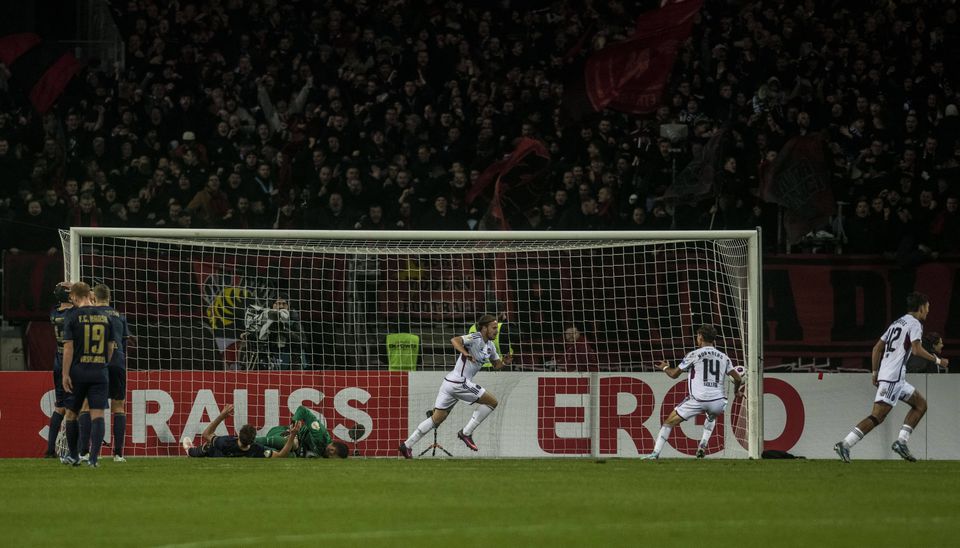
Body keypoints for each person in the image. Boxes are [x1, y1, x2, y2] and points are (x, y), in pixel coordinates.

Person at [834, 292, 948, 463]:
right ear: (922, 307)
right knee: (877, 416)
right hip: (893, 377)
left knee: (920, 404)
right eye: (927, 308)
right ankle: (845, 444)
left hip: (893, 376)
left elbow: (876, 348)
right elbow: (916, 350)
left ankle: (901, 442)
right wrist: (938, 360)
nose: (928, 312)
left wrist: (875, 372)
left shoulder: (897, 322)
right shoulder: (915, 324)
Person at [399, 314, 506, 458]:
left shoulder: (490, 346)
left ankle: (406, 445)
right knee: (492, 402)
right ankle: (466, 433)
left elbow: (497, 365)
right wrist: (465, 353)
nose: (496, 331)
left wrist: (505, 361)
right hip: (459, 382)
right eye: (493, 328)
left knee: (436, 419)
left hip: (450, 383)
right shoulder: (475, 337)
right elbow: (454, 340)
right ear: (484, 328)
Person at [645, 324, 742, 459]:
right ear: (713, 339)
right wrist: (737, 392)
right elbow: (738, 378)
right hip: (718, 402)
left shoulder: (694, 355)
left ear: (700, 337)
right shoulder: (724, 357)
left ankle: (655, 454)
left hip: (698, 400)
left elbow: (674, 374)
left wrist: (665, 367)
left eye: (697, 336)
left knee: (668, 422)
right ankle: (703, 444)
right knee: (711, 416)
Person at [61, 282, 122, 467]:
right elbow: (111, 347)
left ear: (74, 296)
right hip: (99, 372)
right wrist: (103, 363)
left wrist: (65, 373)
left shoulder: (72, 316)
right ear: (90, 295)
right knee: (98, 415)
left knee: (72, 414)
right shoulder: (106, 317)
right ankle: (94, 459)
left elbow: (69, 348)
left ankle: (74, 455)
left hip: (79, 371)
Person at [93, 284, 132, 462]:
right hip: (118, 362)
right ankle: (118, 454)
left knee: (93, 407)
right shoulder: (119, 316)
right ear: (109, 297)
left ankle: (91, 451)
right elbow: (124, 342)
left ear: (95, 297)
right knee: (119, 406)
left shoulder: (90, 315)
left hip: (96, 362)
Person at [181, 404, 297, 458]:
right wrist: (292, 435)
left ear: (238, 435)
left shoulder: (227, 442)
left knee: (209, 446)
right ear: (252, 441)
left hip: (219, 455)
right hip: (232, 455)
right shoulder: (257, 450)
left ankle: (190, 451)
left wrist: (222, 416)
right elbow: (281, 455)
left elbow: (206, 434)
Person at [44, 283, 73, 458]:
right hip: (70, 362)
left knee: (60, 406)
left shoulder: (54, 313)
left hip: (57, 359)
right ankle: (74, 449)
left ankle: (50, 449)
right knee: (73, 407)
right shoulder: (74, 314)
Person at [255, 405, 349, 458]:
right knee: (293, 444)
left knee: (291, 456)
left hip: (297, 448)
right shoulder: (321, 435)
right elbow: (303, 410)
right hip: (283, 432)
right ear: (332, 450)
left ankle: (257, 451)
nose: (331, 459)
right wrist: (294, 422)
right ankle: (247, 441)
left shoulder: (323, 455)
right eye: (333, 456)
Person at [241, 295, 306, 369]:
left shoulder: (294, 322)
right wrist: (250, 335)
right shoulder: (264, 320)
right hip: (270, 361)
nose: (281, 306)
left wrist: (284, 330)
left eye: (284, 304)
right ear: (272, 306)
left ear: (288, 306)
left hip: (290, 362)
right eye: (277, 303)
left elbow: (303, 343)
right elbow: (258, 339)